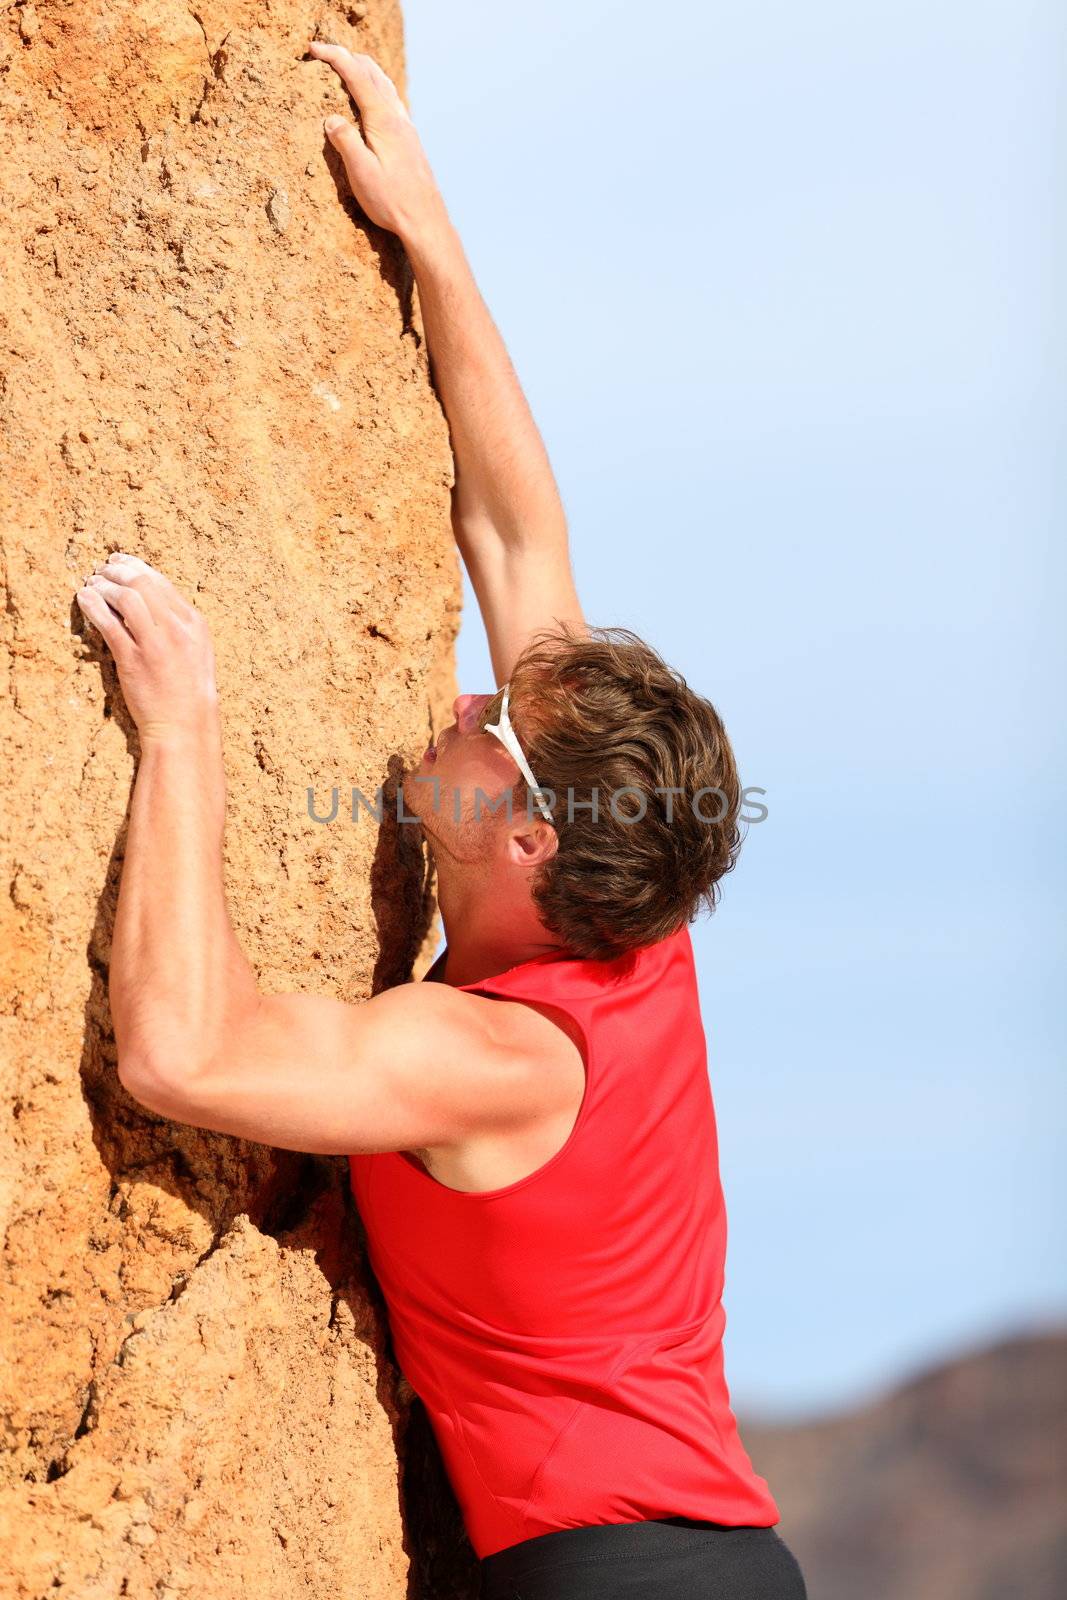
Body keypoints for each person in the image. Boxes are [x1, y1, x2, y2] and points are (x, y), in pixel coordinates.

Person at [72, 39, 807, 1600]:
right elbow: (515, 529)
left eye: (492, 732)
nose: (463, 703)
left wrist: (182, 727)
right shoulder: (635, 932)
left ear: (531, 841)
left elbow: (181, 1054)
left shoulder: (496, 1059)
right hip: (688, 1564)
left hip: (614, 1582)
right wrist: (431, 230)